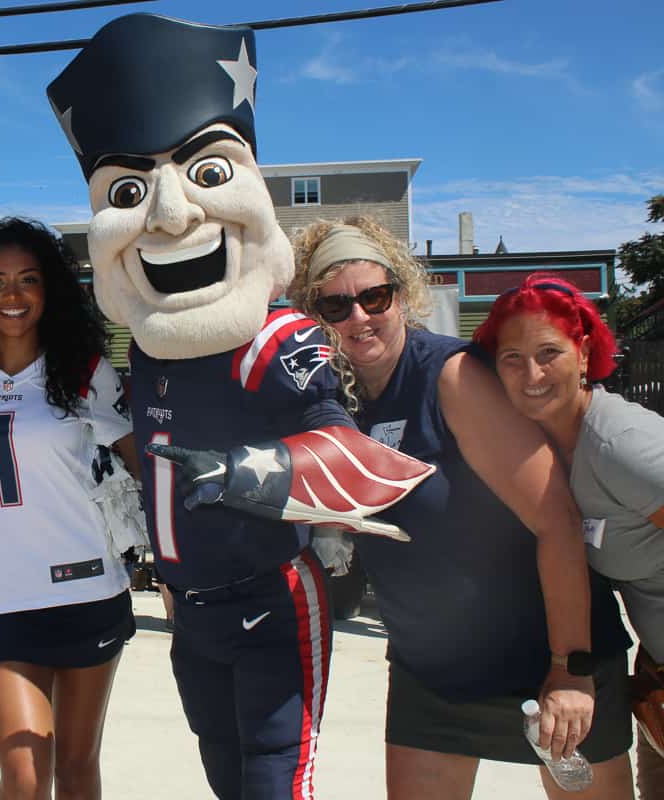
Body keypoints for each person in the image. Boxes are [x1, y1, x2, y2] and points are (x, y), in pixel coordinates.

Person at [46, 15, 432, 798]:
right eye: (128, 191)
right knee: (225, 772)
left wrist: (242, 471)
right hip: (188, 609)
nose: (170, 215)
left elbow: (354, 457)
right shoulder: (151, 349)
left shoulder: (275, 340)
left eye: (206, 176)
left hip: (271, 598)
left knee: (272, 779)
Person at [288, 217, 633, 799]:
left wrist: (570, 666)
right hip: (432, 669)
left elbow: (557, 521)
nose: (359, 317)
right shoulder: (335, 400)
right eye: (337, 306)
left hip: (541, 651)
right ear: (314, 315)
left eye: (375, 297)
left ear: (402, 294)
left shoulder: (450, 376)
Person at [0, 216, 137, 800]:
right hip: (5, 598)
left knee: (76, 769)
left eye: (28, 280)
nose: (13, 296)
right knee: (22, 778)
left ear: (49, 289)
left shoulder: (85, 372)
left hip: (88, 590)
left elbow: (145, 467)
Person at [475, 272, 664, 799]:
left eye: (548, 352)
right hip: (653, 674)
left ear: (583, 353)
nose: (530, 373)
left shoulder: (619, 443)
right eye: (511, 357)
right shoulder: (550, 448)